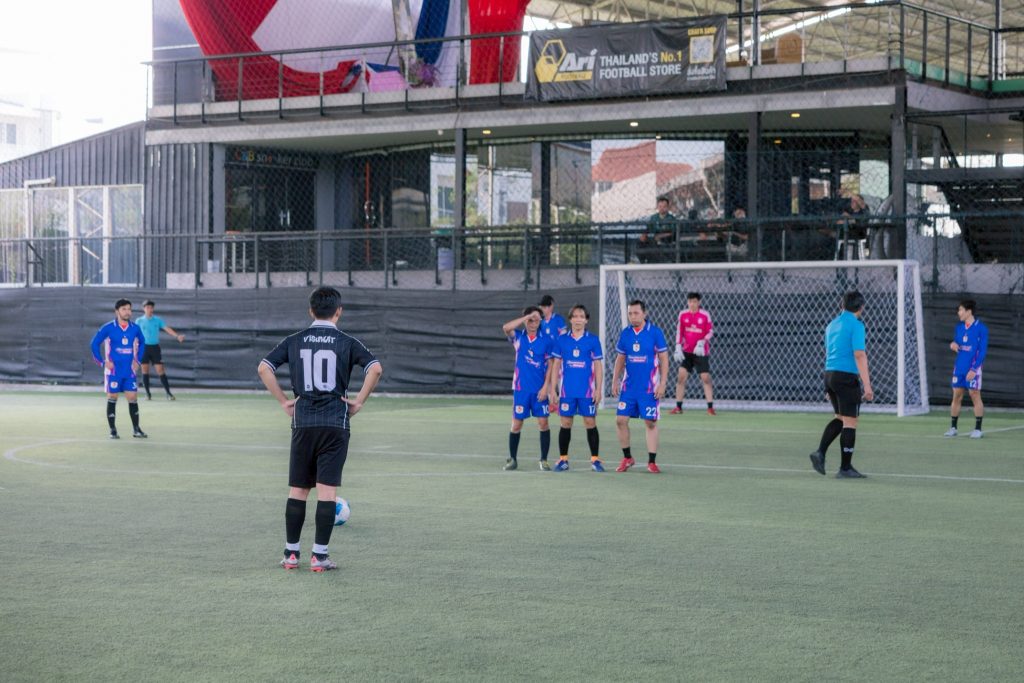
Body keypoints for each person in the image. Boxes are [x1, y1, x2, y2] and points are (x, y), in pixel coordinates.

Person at [258, 286, 383, 572]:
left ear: (310, 311)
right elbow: (375, 368)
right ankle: (319, 556)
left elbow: (264, 368)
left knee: (298, 489)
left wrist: (283, 401)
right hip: (335, 422)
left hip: (303, 421)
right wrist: (359, 402)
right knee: (327, 491)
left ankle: (291, 554)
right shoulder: (347, 341)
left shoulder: (294, 340)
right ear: (339, 311)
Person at [808, 291, 874, 479]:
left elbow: (829, 352)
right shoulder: (857, 325)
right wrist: (867, 386)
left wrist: (828, 386)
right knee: (850, 421)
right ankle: (845, 468)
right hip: (845, 377)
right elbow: (859, 355)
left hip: (830, 375)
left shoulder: (831, 324)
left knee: (840, 418)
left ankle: (820, 452)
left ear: (841, 305)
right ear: (861, 307)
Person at [610, 300, 670, 473]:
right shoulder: (626, 333)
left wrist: (663, 383)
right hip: (629, 388)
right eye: (630, 313)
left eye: (636, 313)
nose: (633, 316)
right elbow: (620, 358)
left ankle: (651, 461)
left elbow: (664, 358)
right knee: (620, 420)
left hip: (649, 389)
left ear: (644, 313)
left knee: (650, 422)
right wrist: (615, 380)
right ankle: (627, 458)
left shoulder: (655, 332)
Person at [547, 304, 604, 472]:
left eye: (582, 316)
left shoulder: (593, 340)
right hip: (567, 391)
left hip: (587, 391)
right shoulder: (562, 340)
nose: (578, 319)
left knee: (590, 422)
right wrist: (553, 389)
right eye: (575, 316)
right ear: (570, 319)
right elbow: (556, 365)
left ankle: (595, 460)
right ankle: (563, 460)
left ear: (586, 320)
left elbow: (598, 366)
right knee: (565, 423)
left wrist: (598, 389)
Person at [502, 306, 556, 471]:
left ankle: (543, 460)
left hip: (539, 390)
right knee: (516, 425)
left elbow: (551, 365)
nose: (533, 323)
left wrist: (546, 387)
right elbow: (506, 328)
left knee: (543, 423)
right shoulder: (518, 337)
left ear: (541, 321)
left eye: (536, 320)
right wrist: (526, 317)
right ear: (525, 320)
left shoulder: (547, 340)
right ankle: (512, 459)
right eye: (530, 320)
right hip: (521, 389)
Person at [89, 298, 148, 439]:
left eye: (129, 309)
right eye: (124, 309)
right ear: (117, 311)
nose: (127, 312)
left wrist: (138, 361)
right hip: (113, 371)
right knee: (112, 397)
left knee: (132, 397)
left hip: (129, 371)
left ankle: (136, 429)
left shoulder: (135, 328)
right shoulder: (108, 328)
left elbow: (143, 343)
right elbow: (94, 344)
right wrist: (103, 362)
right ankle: (113, 430)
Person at [944, 299, 988, 439]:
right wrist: (953, 344)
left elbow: (982, 352)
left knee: (974, 394)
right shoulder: (959, 327)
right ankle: (953, 428)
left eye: (961, 310)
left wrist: (974, 369)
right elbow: (957, 342)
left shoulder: (981, 328)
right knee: (957, 395)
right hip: (959, 367)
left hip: (973, 368)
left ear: (968, 311)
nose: (959, 313)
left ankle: (978, 429)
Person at [670, 292, 715, 416]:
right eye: (690, 301)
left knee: (705, 378)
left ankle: (710, 407)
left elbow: (710, 331)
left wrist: (702, 341)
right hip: (687, 352)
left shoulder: (705, 315)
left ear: (699, 302)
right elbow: (679, 331)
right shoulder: (683, 314)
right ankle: (678, 407)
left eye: (694, 301)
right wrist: (678, 346)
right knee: (681, 376)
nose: (692, 304)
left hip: (701, 351)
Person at [136, 300, 186, 401]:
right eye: (147, 307)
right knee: (145, 371)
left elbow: (167, 329)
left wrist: (177, 336)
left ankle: (168, 393)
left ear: (153, 309)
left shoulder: (158, 320)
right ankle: (148, 394)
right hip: (143, 348)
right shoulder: (139, 321)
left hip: (155, 348)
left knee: (160, 370)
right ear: (143, 309)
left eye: (151, 307)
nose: (149, 309)